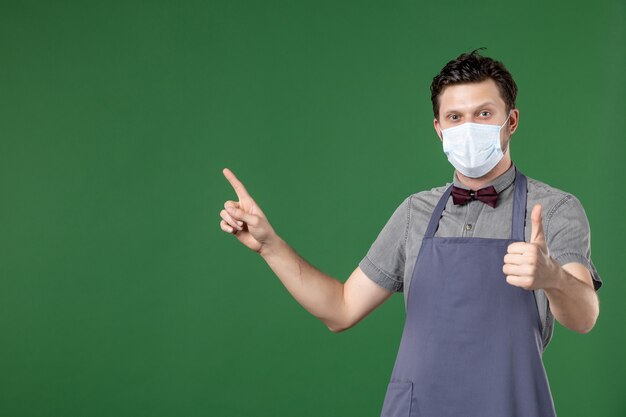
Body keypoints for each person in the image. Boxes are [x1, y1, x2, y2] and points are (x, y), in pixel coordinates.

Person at [218, 50, 601, 417]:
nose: (468, 127)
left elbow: (584, 317)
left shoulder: (553, 209)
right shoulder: (414, 213)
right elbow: (341, 309)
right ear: (439, 129)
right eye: (455, 117)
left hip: (509, 407)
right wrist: (270, 246)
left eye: (483, 114)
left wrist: (551, 277)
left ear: (511, 121)